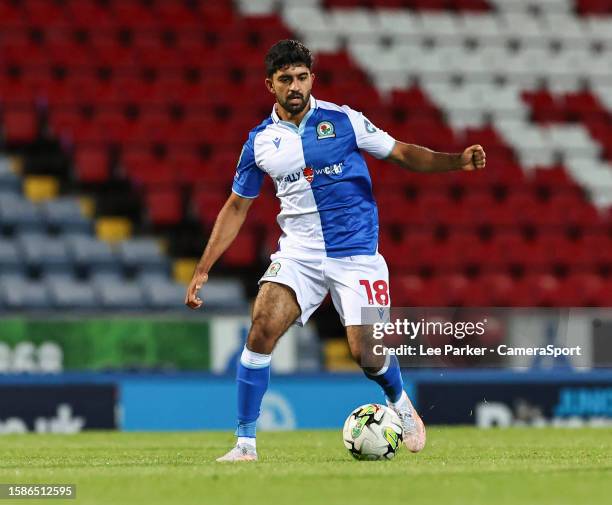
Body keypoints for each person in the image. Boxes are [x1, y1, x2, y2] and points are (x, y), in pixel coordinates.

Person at [185, 40, 486, 462]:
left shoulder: (344, 120)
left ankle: (399, 401)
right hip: (299, 255)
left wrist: (455, 161)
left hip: (357, 253)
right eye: (286, 79)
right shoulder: (259, 142)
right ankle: (245, 444)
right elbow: (236, 207)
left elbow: (400, 152)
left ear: (312, 79)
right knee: (262, 326)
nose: (295, 86)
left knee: (367, 354)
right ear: (269, 84)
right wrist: (203, 268)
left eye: (302, 77)